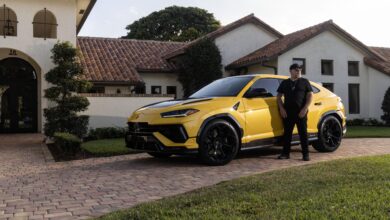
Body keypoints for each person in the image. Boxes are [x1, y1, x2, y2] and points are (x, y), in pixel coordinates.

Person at [276, 63, 313, 161]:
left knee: (303, 134)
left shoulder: (305, 81)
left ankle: (306, 155)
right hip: (287, 112)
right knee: (287, 134)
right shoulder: (285, 83)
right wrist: (281, 109)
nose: (298, 71)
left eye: (300, 70)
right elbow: (279, 97)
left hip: (301, 112)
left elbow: (310, 96)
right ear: (291, 71)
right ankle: (285, 154)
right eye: (296, 69)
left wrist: (305, 108)